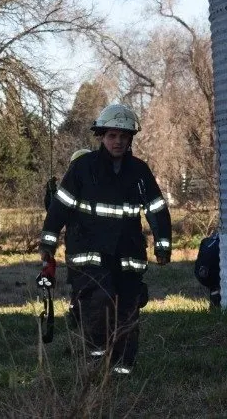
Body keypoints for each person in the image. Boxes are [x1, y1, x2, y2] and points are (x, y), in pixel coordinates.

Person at [38, 104, 172, 375]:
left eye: (124, 136)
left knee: (128, 311)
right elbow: (60, 207)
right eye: (112, 135)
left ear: (131, 138)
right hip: (89, 253)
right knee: (99, 301)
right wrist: (48, 243)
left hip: (128, 253)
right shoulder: (82, 169)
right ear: (101, 136)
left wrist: (163, 243)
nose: (118, 141)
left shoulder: (139, 172)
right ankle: (97, 354)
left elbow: (156, 208)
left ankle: (122, 370)